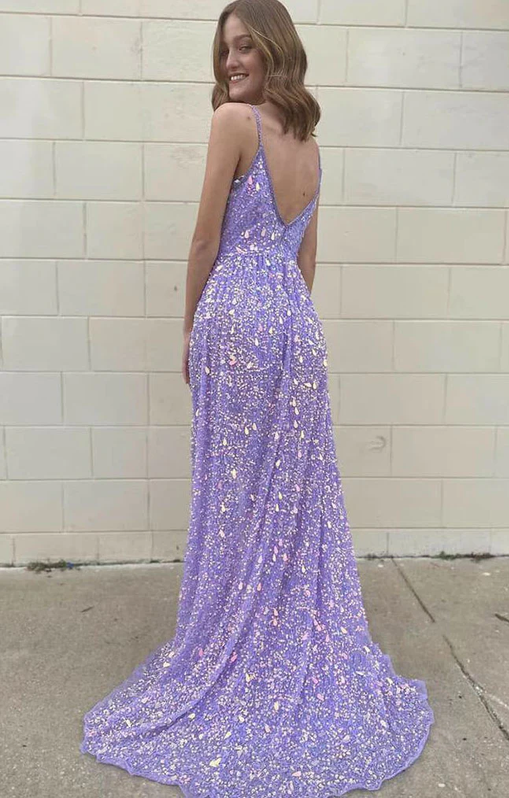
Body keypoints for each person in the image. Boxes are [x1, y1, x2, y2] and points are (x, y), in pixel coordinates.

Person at [79, 1, 435, 794]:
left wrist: (189, 327)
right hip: (295, 329)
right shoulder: (310, 145)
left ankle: (231, 644)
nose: (230, 62)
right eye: (224, 51)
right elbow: (306, 259)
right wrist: (288, 325)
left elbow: (205, 237)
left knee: (235, 494)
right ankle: (276, 637)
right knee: (291, 500)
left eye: (243, 46)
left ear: (275, 48)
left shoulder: (232, 122)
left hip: (237, 317)